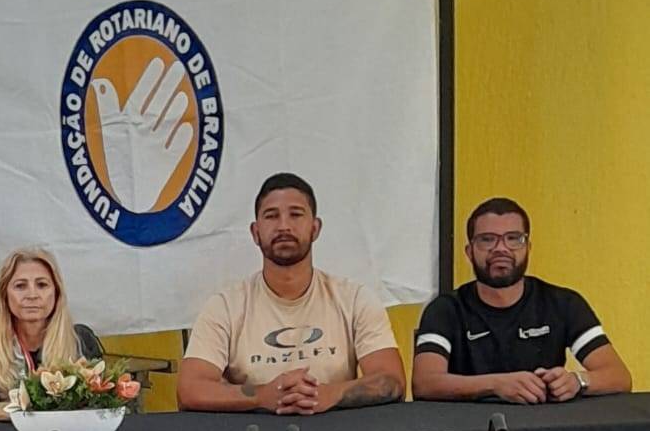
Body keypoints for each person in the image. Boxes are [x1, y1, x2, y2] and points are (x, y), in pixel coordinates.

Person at [177, 173, 405, 414]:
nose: (284, 226)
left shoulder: (354, 298)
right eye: (271, 216)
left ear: (315, 228)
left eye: (296, 214)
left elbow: (392, 381)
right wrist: (262, 396)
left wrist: (329, 394)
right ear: (255, 232)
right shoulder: (225, 306)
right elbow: (189, 390)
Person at [412, 197, 631, 402]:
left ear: (528, 248)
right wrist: (495, 384)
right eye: (487, 239)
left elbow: (619, 376)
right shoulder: (445, 309)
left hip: (544, 425)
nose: (501, 248)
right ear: (469, 252)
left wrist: (577, 381)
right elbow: (424, 383)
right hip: (467, 426)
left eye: (513, 239)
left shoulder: (563, 303)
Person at [0, 249, 104, 421]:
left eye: (42, 285)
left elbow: (102, 404)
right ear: (5, 295)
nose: (32, 295)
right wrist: (33, 409)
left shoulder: (81, 339)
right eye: (20, 286)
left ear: (57, 293)